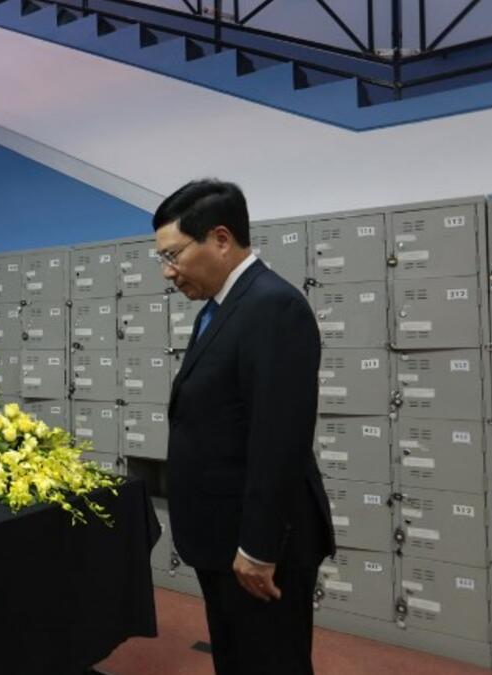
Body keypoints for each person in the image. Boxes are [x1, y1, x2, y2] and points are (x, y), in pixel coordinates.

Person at [154, 179, 334, 674]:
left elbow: (279, 439)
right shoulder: (218, 307)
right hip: (222, 540)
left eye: (173, 255)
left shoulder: (272, 306)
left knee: (271, 664)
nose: (168, 272)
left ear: (219, 238)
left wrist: (257, 547)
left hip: (258, 551)